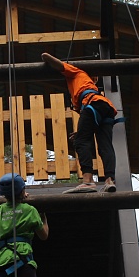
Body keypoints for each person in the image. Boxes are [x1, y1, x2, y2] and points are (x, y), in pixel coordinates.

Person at [42, 52, 117, 193]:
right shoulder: (89, 86)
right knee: (105, 145)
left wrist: (46, 56)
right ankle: (110, 180)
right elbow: (89, 125)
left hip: (92, 104)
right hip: (106, 108)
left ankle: (88, 181)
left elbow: (56, 63)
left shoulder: (78, 73)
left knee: (81, 141)